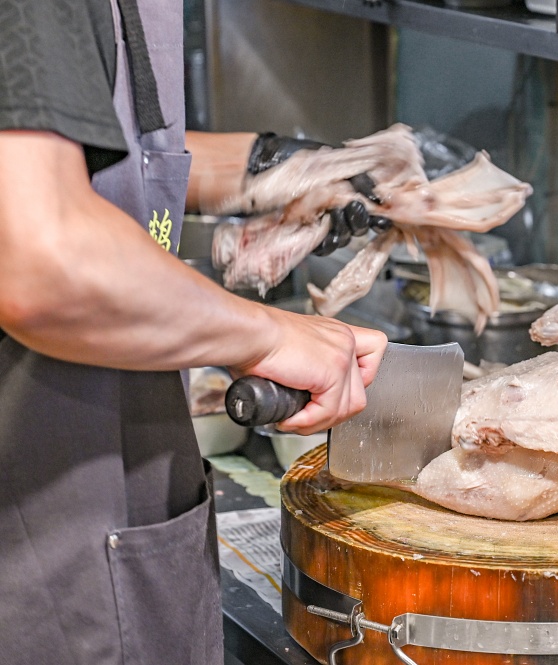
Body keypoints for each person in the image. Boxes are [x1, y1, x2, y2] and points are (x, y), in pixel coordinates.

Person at [0, 1, 389, 663]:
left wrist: (272, 168)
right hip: (41, 538)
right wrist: (264, 336)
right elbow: (41, 259)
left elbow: (90, 153)